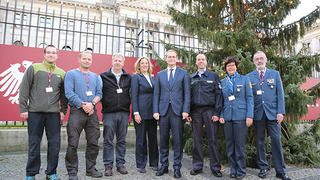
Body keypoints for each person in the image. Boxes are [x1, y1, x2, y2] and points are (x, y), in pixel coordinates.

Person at [19, 45, 68, 180]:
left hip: (53, 114)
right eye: (48, 52)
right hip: (35, 113)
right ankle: (31, 174)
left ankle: (51, 173)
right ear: (44, 54)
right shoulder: (34, 68)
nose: (51, 55)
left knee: (54, 145)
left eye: (53, 53)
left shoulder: (61, 73)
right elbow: (24, 89)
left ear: (57, 55)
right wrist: (23, 108)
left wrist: (63, 110)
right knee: (34, 144)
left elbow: (64, 95)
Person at [247, 51, 291, 180]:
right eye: (256, 59)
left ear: (266, 59)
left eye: (261, 58)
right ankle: (263, 168)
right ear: (254, 61)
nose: (259, 61)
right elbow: (249, 98)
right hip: (258, 114)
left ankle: (281, 171)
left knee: (276, 141)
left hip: (273, 114)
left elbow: (280, 94)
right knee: (260, 142)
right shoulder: (249, 76)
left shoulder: (275, 74)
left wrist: (280, 112)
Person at [64, 51, 103, 180]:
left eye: (89, 59)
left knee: (93, 142)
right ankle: (72, 171)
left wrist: (91, 104)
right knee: (73, 143)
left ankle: (91, 169)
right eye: (84, 59)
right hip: (77, 112)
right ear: (79, 59)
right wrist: (84, 105)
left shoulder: (95, 76)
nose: (87, 61)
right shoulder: (71, 74)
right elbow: (69, 93)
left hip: (92, 112)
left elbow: (99, 93)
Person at [153, 49, 191, 178]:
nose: (171, 59)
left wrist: (186, 110)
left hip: (177, 112)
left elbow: (187, 93)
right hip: (163, 111)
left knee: (177, 140)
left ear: (176, 59)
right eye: (169, 57)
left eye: (173, 57)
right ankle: (163, 166)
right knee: (163, 140)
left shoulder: (183, 73)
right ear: (166, 59)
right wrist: (156, 110)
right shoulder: (160, 74)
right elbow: (156, 94)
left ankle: (177, 167)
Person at [188, 54, 223, 177]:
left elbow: (219, 96)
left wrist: (216, 113)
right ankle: (197, 166)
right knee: (196, 140)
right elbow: (188, 96)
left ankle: (215, 167)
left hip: (210, 111)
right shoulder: (191, 78)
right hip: (195, 112)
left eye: (203, 59)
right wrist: (188, 112)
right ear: (196, 62)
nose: (201, 61)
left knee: (212, 139)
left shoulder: (214, 76)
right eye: (198, 59)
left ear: (206, 62)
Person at [219, 57, 253, 179]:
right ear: (226, 68)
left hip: (241, 117)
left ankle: (241, 170)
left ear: (236, 66)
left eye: (232, 65)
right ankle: (233, 169)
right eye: (228, 66)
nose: (231, 67)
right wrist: (221, 115)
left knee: (239, 145)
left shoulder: (245, 79)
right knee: (229, 144)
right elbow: (221, 101)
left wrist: (249, 116)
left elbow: (250, 98)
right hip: (227, 117)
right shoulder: (222, 82)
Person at [99, 53, 131, 176]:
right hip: (109, 113)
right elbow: (99, 93)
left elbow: (131, 93)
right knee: (108, 140)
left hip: (123, 112)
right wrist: (107, 103)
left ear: (123, 62)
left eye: (120, 61)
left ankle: (120, 164)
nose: (117, 62)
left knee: (122, 140)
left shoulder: (128, 77)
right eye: (115, 60)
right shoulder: (103, 76)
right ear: (112, 61)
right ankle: (108, 165)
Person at [131, 56, 159, 173]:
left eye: (146, 63)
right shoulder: (136, 77)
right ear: (139, 65)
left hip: (152, 113)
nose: (144, 65)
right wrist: (136, 113)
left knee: (153, 138)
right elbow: (134, 95)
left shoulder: (152, 77)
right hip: (141, 113)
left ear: (149, 65)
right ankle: (141, 164)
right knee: (141, 139)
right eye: (142, 63)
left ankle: (154, 162)